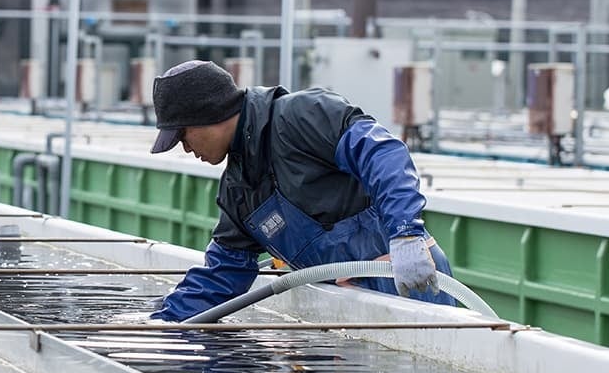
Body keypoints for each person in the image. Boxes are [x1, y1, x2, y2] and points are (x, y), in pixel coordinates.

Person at [148, 60, 456, 321]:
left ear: (208, 115)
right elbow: (221, 275)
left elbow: (383, 153)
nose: (186, 148)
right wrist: (162, 322)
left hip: (408, 279)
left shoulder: (298, 116)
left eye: (184, 136)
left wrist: (404, 232)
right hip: (348, 310)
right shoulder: (239, 191)